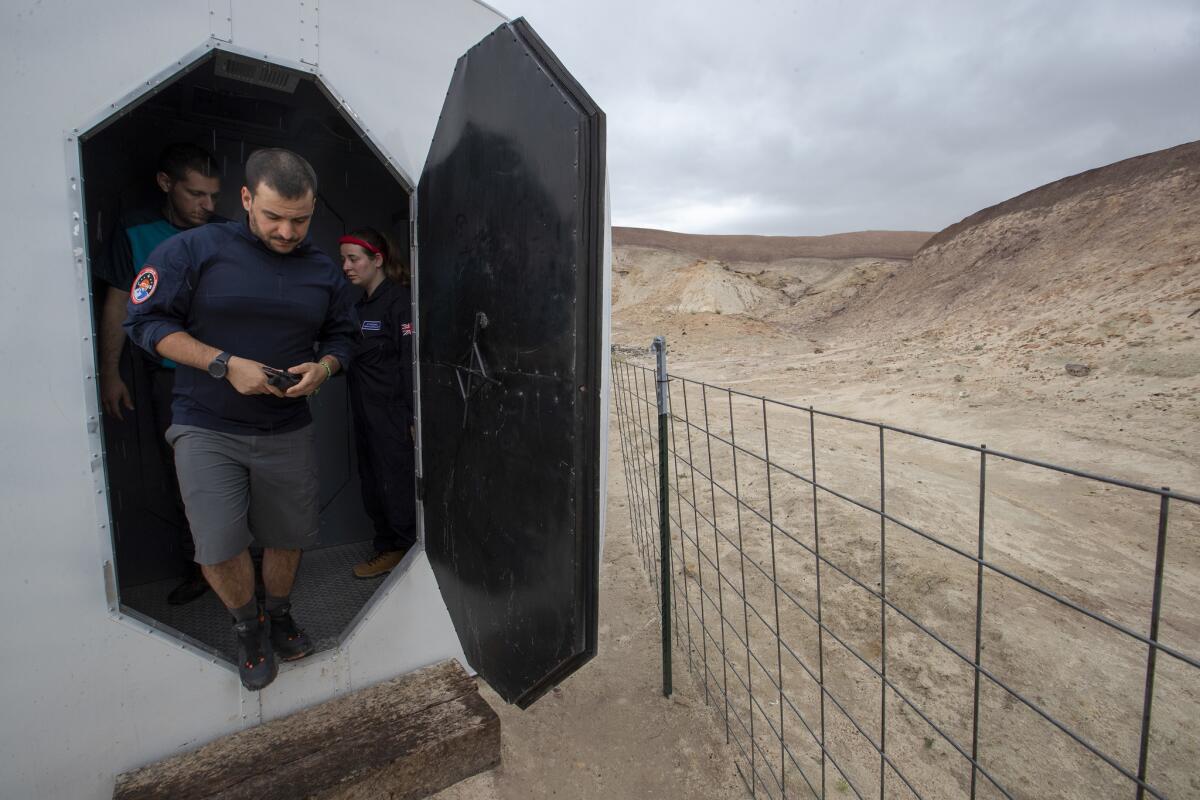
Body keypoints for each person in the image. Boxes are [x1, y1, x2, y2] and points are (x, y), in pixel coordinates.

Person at [125, 148, 357, 691]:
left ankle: (278, 613)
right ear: (247, 199)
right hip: (206, 424)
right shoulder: (193, 250)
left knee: (288, 535)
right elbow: (146, 323)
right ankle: (247, 625)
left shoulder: (322, 269)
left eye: (299, 219)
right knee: (219, 544)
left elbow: (344, 338)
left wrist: (323, 368)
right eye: (273, 216)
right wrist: (223, 364)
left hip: (286, 429)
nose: (286, 231)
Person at [94, 142, 222, 605]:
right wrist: (110, 372)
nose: (207, 206)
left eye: (213, 195)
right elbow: (116, 304)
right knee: (184, 475)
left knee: (244, 470)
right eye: (196, 194)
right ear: (166, 185)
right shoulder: (135, 231)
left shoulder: (227, 231)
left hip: (228, 375)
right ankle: (202, 568)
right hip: (170, 378)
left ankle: (256, 571)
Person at [339, 228, 416, 579]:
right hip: (365, 408)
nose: (347, 266)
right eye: (344, 259)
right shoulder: (358, 307)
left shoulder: (399, 301)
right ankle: (385, 543)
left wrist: (413, 415)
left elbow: (408, 360)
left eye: (354, 259)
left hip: (392, 410)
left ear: (377, 260)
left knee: (393, 479)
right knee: (371, 479)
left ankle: (400, 547)